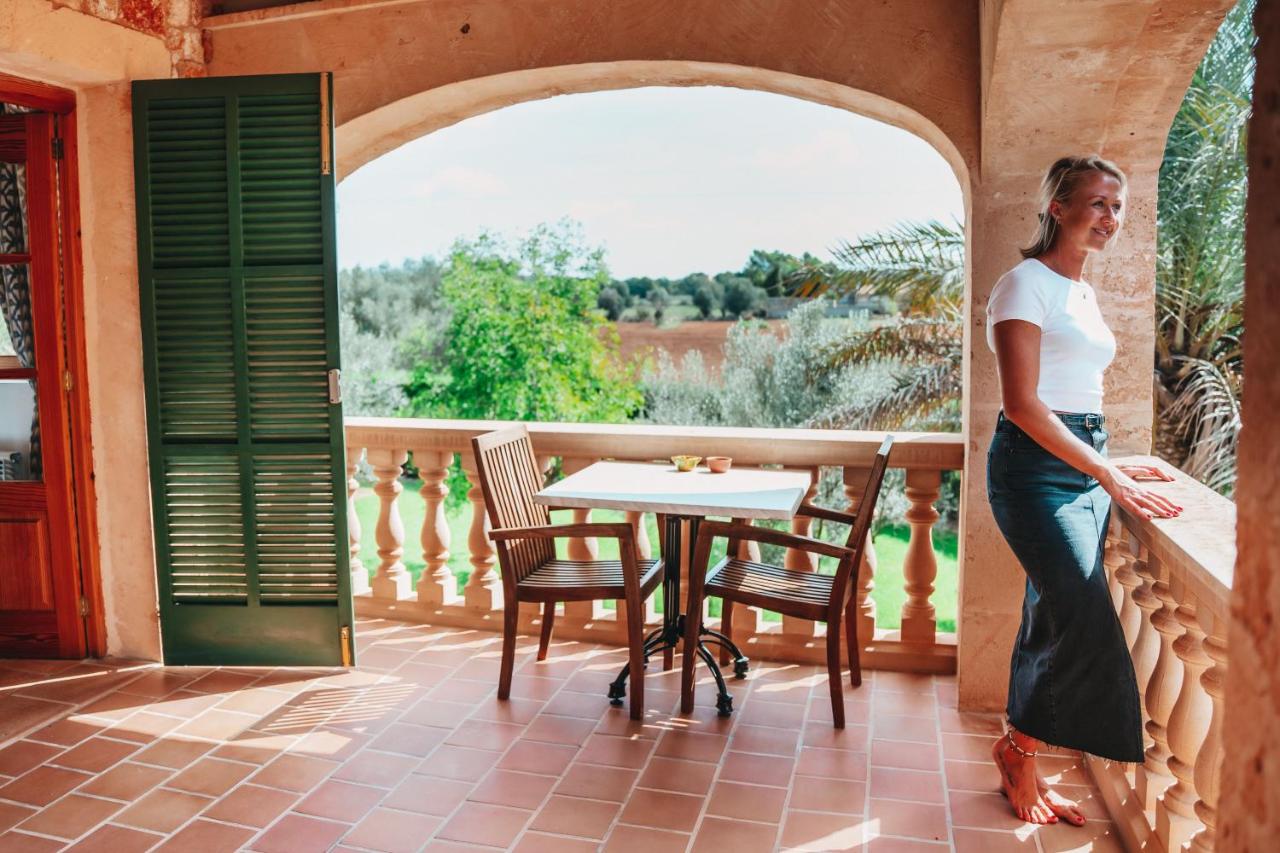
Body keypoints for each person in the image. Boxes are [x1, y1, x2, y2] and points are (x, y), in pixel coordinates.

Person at [985, 155, 1183, 825]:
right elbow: (1022, 404)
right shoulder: (1024, 285)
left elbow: (1083, 394)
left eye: (1117, 206)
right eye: (1096, 203)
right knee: (1082, 609)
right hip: (1033, 471)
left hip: (1086, 462)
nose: (1110, 217)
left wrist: (1113, 461)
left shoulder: (1085, 293)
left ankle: (1019, 748)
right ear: (1057, 208)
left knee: (1050, 609)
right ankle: (1019, 750)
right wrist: (1107, 471)